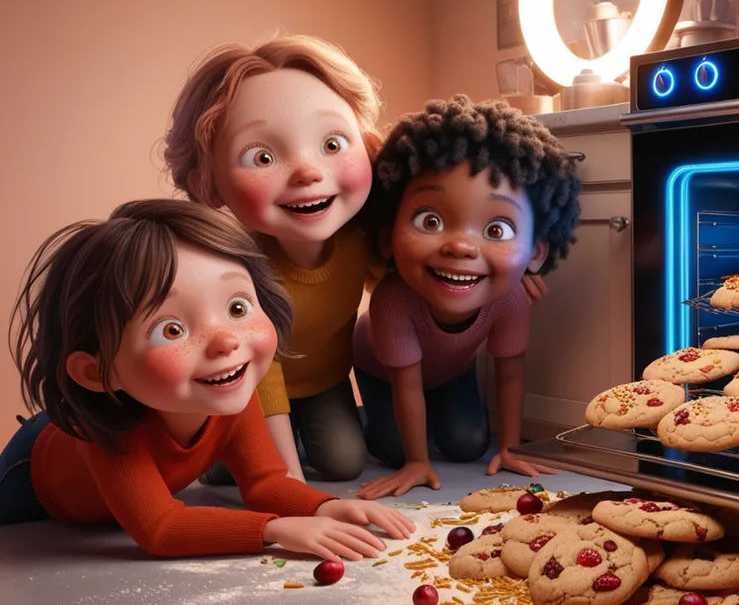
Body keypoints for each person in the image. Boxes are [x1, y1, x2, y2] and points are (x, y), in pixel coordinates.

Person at [162, 34, 549, 484]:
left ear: (365, 147)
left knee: (345, 461)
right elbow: (261, 376)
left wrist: (503, 274)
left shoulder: (361, 241)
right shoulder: (240, 272)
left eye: (331, 145)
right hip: (251, 388)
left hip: (327, 381)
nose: (308, 172)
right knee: (228, 472)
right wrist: (290, 483)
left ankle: (304, 435)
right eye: (262, 156)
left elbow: (418, 286)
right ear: (208, 183)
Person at [0, 199, 414, 560]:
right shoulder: (106, 429)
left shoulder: (229, 387)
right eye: (172, 330)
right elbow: (159, 528)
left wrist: (323, 508)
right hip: (32, 472)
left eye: (237, 308)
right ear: (98, 373)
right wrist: (273, 531)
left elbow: (265, 482)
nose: (224, 342)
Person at [351, 95, 581, 499]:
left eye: (496, 231)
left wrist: (510, 447)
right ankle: (359, 417)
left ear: (535, 252)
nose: (460, 247)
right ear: (388, 237)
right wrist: (416, 461)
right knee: (391, 447)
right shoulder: (393, 302)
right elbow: (406, 384)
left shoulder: (508, 298)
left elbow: (510, 372)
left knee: (469, 445)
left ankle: (438, 414)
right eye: (431, 221)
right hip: (384, 374)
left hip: (449, 371)